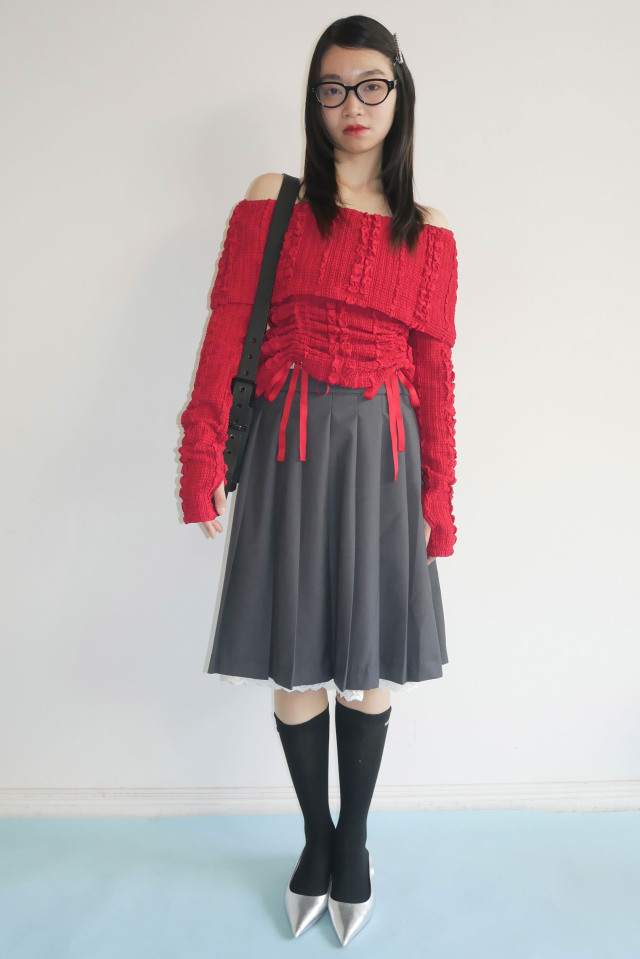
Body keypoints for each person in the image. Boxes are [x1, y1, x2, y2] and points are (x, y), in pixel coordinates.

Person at [177, 15, 458, 947]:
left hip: (385, 455)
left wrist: (440, 497)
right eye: (334, 88)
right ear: (315, 99)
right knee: (295, 655)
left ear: (400, 94)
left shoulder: (431, 233)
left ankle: (356, 842)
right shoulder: (275, 201)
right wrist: (203, 456)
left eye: (372, 85)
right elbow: (229, 330)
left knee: (367, 662)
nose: (353, 105)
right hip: (291, 449)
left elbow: (435, 376)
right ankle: (315, 835)